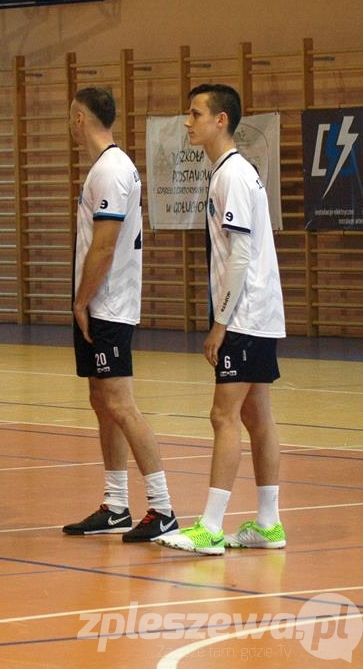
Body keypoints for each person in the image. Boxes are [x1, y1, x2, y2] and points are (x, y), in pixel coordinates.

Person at [158, 84, 287, 556]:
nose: (187, 122)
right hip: (259, 312)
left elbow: (240, 255)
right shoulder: (233, 172)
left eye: (195, 113)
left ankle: (211, 527)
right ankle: (269, 524)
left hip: (247, 316)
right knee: (257, 416)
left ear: (221, 121)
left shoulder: (231, 175)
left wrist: (221, 322)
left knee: (223, 414)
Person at [61, 87, 178, 543]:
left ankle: (163, 507)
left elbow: (105, 245)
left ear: (79, 118)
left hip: (107, 305)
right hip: (101, 303)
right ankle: (114, 504)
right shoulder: (108, 168)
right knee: (101, 401)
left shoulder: (109, 170)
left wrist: (80, 300)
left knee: (120, 404)